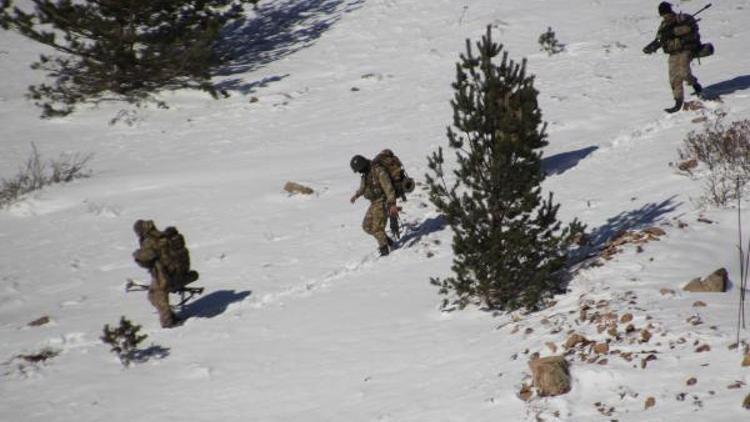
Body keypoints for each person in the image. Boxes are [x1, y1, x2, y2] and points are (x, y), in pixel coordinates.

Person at [132, 220, 198, 328]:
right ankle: (171, 316)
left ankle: (169, 322)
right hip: (181, 274)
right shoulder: (165, 237)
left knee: (155, 295)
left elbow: (147, 256)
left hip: (167, 277)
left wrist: (136, 254)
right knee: (155, 294)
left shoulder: (150, 241)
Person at [644, 1, 703, 113]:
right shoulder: (663, 25)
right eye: (663, 15)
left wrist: (675, 31)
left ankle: (695, 84)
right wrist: (652, 47)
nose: (665, 16)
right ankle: (678, 102)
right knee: (673, 78)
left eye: (666, 13)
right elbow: (660, 39)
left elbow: (691, 27)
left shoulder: (682, 18)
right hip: (673, 53)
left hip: (686, 50)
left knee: (684, 72)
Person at [349, 154, 399, 256]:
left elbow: (388, 187)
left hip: (383, 201)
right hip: (374, 202)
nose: (359, 172)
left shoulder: (378, 171)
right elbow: (363, 187)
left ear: (363, 166)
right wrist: (356, 195)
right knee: (366, 226)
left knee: (377, 229)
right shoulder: (365, 173)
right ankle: (388, 242)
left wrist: (392, 204)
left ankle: (384, 251)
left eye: (359, 170)